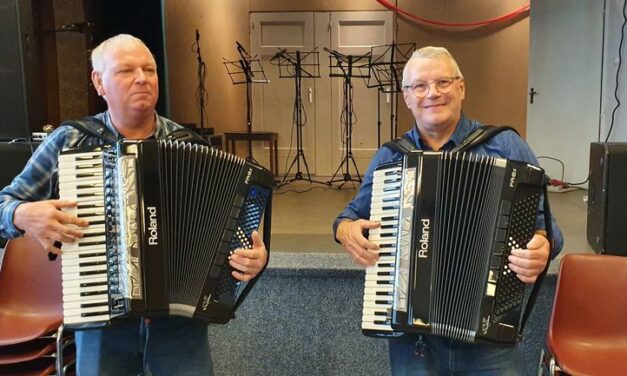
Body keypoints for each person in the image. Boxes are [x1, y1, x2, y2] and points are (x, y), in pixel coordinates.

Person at [0, 34, 268, 375]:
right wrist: (22, 213)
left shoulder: (189, 146)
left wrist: (252, 257)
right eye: (127, 70)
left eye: (149, 70)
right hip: (101, 318)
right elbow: (5, 204)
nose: (142, 78)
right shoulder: (70, 141)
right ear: (99, 82)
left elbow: (234, 238)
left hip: (178, 325)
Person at [333, 46, 564, 375]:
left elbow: (548, 226)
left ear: (461, 88)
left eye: (443, 82)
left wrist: (542, 245)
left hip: (488, 336)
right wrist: (347, 232)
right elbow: (347, 218)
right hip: (413, 340)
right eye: (420, 86)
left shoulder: (506, 147)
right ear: (407, 97)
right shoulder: (390, 158)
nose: (433, 94)